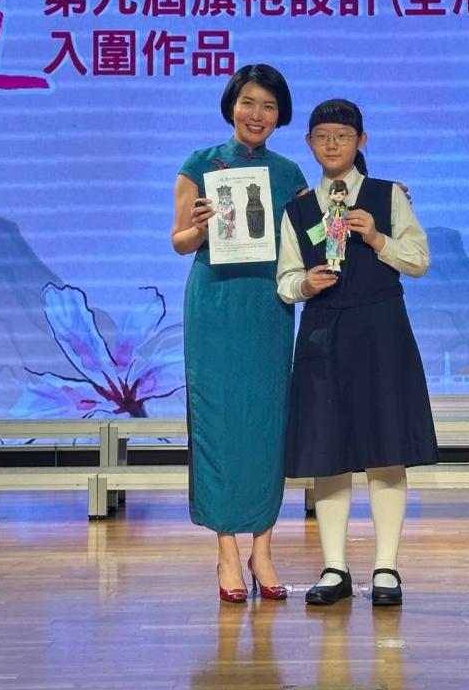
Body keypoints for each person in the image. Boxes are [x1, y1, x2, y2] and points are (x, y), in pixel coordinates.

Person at [276, 98, 438, 607]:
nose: (332, 144)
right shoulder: (299, 209)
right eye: (322, 136)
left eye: (342, 136)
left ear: (360, 141)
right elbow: (284, 279)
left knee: (387, 450)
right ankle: (334, 568)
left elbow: (419, 260)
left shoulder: (389, 196)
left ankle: (386, 567)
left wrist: (378, 238)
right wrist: (305, 284)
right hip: (323, 331)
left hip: (382, 330)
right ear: (309, 143)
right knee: (328, 453)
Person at [172, 64, 308, 602]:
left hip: (267, 307)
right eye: (249, 102)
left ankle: (263, 550)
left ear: (280, 115)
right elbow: (179, 241)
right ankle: (227, 550)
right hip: (215, 306)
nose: (257, 114)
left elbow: (317, 233)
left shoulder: (289, 173)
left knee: (267, 423)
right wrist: (199, 227)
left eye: (269, 106)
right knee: (219, 424)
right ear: (232, 105)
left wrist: (378, 201)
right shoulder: (200, 164)